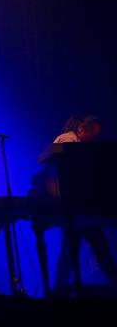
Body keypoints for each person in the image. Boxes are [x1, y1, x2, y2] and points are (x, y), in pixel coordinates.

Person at [51, 115, 117, 290]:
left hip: (77, 207)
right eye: (93, 134)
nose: (95, 139)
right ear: (81, 128)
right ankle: (59, 291)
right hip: (76, 207)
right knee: (96, 249)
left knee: (74, 250)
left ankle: (59, 290)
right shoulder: (70, 140)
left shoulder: (74, 141)